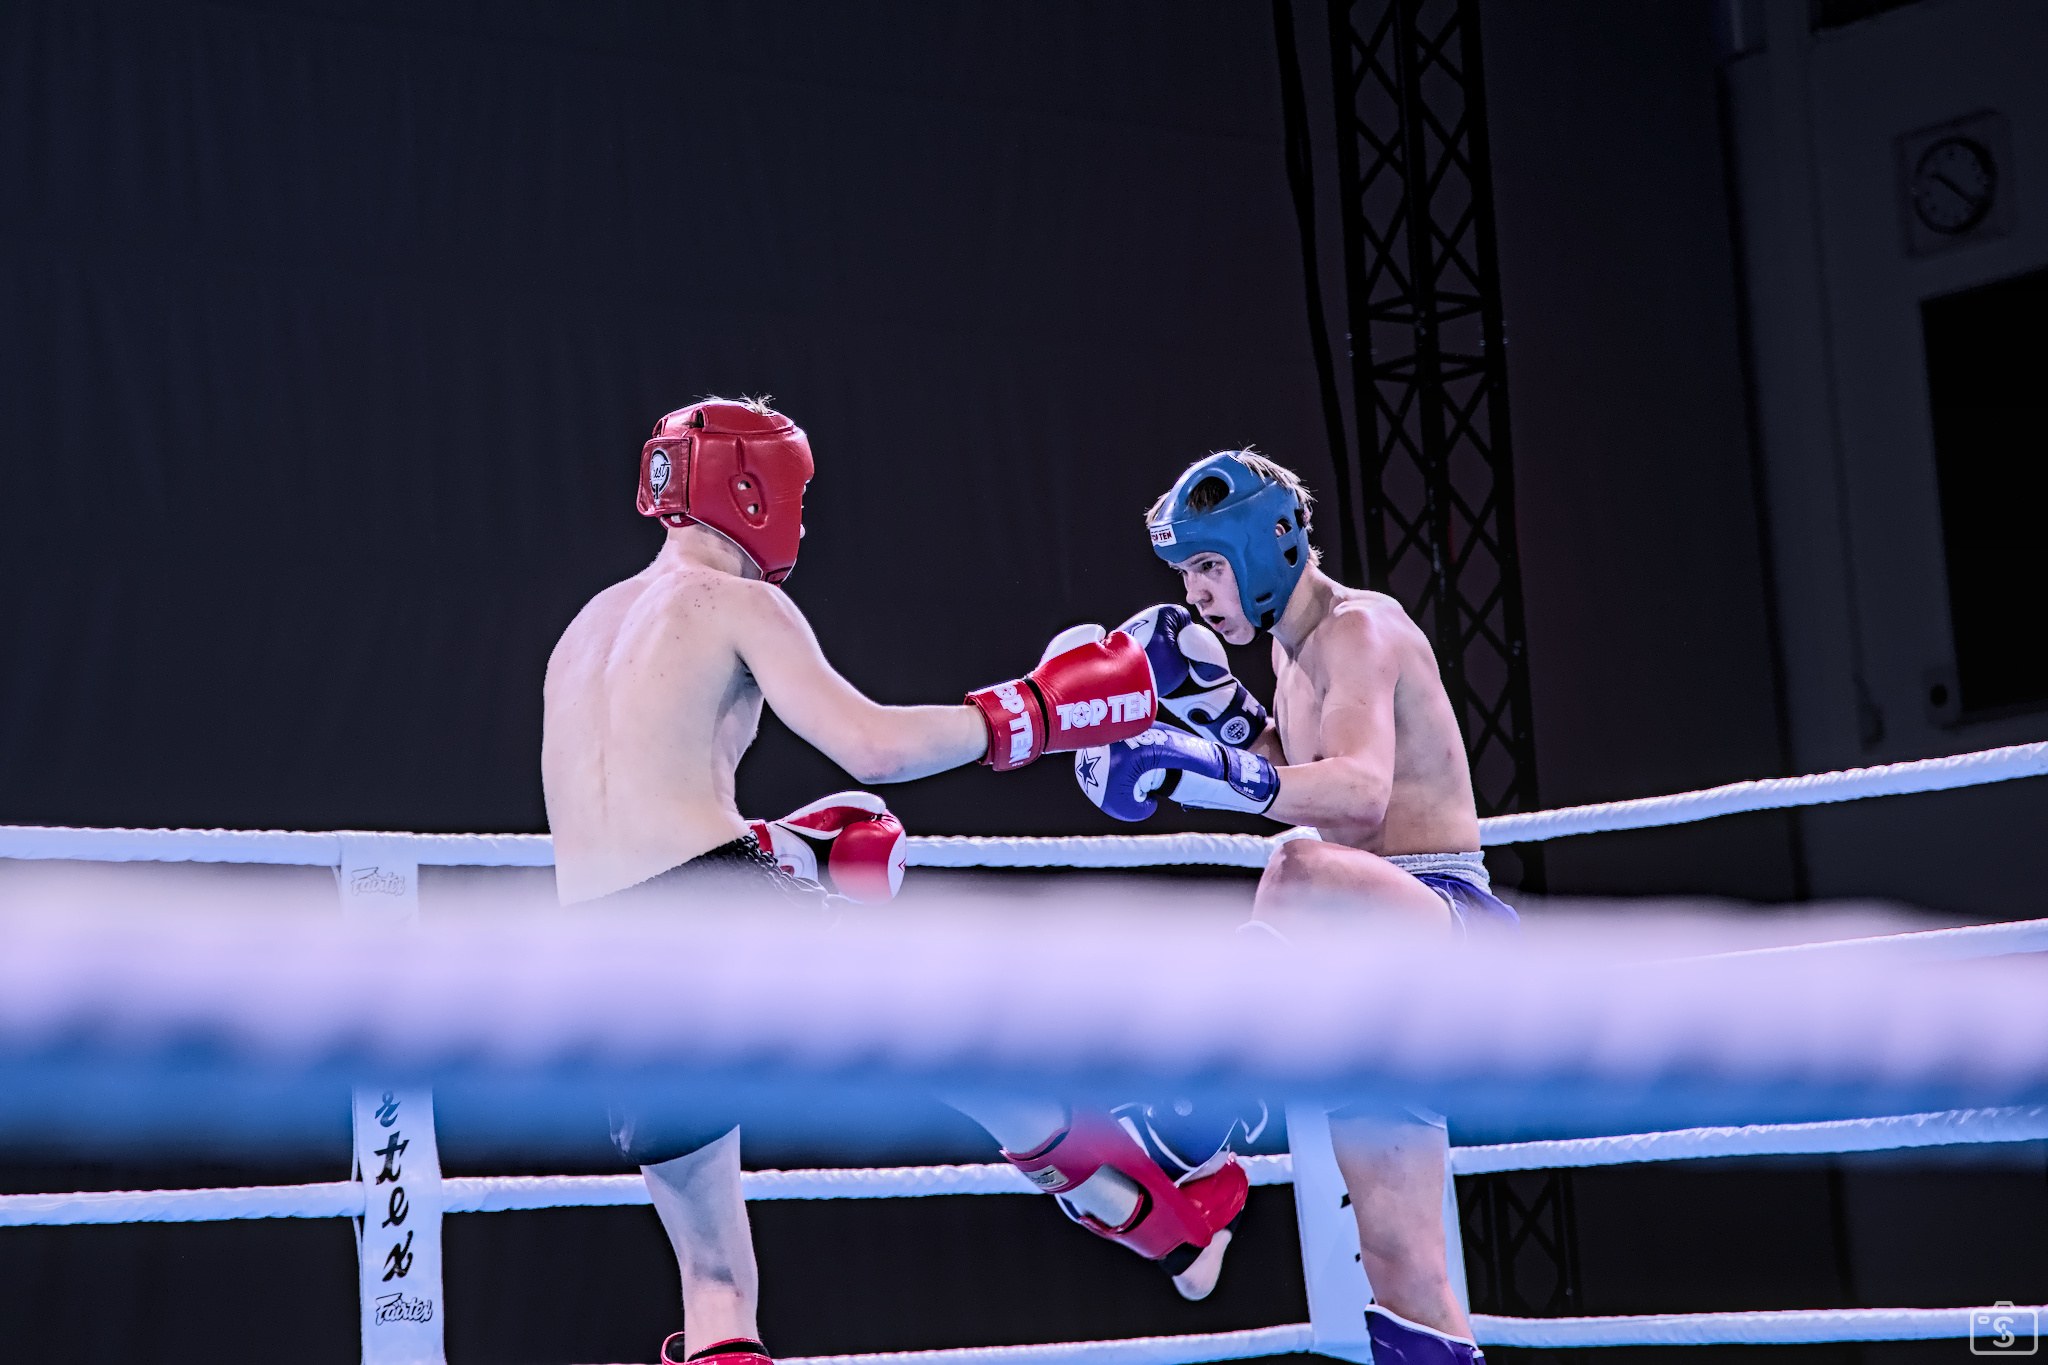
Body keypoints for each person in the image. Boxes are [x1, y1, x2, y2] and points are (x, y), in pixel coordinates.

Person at [541, 397, 1159, 1365]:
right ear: (754, 490)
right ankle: (1126, 1191)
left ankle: (1125, 1195)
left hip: (601, 960)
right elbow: (873, 746)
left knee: (714, 1279)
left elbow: (628, 832)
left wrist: (782, 847)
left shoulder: (582, 630)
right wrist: (1032, 712)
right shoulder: (734, 601)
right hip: (713, 906)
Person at [1073, 449, 1513, 1365]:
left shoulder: (1360, 629)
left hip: (1445, 925)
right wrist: (1222, 717)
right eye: (1185, 573)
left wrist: (1198, 770)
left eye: (1207, 564)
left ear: (1262, 543)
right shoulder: (1289, 649)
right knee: (1399, 1262)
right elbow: (1300, 763)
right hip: (1371, 969)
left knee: (1299, 871)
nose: (1195, 592)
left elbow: (1357, 795)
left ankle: (1198, 1122)